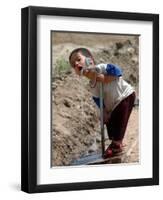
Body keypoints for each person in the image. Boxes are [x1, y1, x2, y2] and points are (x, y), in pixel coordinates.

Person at [69, 47, 136, 158]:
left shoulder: (101, 68)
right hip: (113, 104)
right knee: (109, 121)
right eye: (73, 64)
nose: (76, 63)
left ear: (89, 60)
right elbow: (97, 98)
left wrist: (105, 78)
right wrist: (104, 111)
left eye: (78, 59)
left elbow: (117, 71)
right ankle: (116, 141)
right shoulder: (92, 84)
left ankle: (117, 144)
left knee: (120, 120)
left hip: (124, 96)